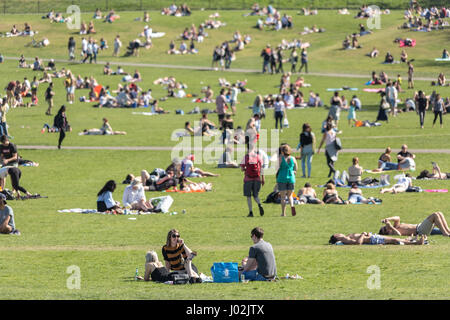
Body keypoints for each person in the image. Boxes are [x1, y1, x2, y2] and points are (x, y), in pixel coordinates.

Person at [240, 143, 265, 217]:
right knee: (255, 195)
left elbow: (242, 168)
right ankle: (259, 204)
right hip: (257, 178)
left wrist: (246, 168)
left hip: (248, 179)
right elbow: (261, 168)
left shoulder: (246, 157)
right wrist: (263, 178)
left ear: (247, 148)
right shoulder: (258, 157)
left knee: (248, 196)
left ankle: (251, 212)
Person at [379, 212, 450, 237]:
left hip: (420, 226)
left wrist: (387, 219)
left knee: (439, 213)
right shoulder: (393, 232)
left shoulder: (396, 226)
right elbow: (399, 234)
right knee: (435, 215)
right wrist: (390, 227)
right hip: (420, 231)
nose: (386, 226)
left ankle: (448, 231)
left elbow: (397, 218)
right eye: (385, 228)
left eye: (385, 227)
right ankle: (445, 233)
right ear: (386, 232)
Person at [277, 144, 297, 217]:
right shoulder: (293, 158)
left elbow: (277, 168)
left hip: (282, 177)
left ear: (282, 151)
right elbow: (296, 168)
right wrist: (293, 172)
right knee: (290, 195)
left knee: (283, 197)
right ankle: (292, 205)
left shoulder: (280, 158)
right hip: (291, 178)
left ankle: (283, 213)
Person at [329, 232, 426, 245]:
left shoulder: (346, 237)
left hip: (373, 237)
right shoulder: (344, 239)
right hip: (372, 240)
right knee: (394, 240)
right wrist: (363, 234)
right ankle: (416, 243)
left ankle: (411, 239)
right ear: (336, 236)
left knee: (393, 238)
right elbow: (358, 243)